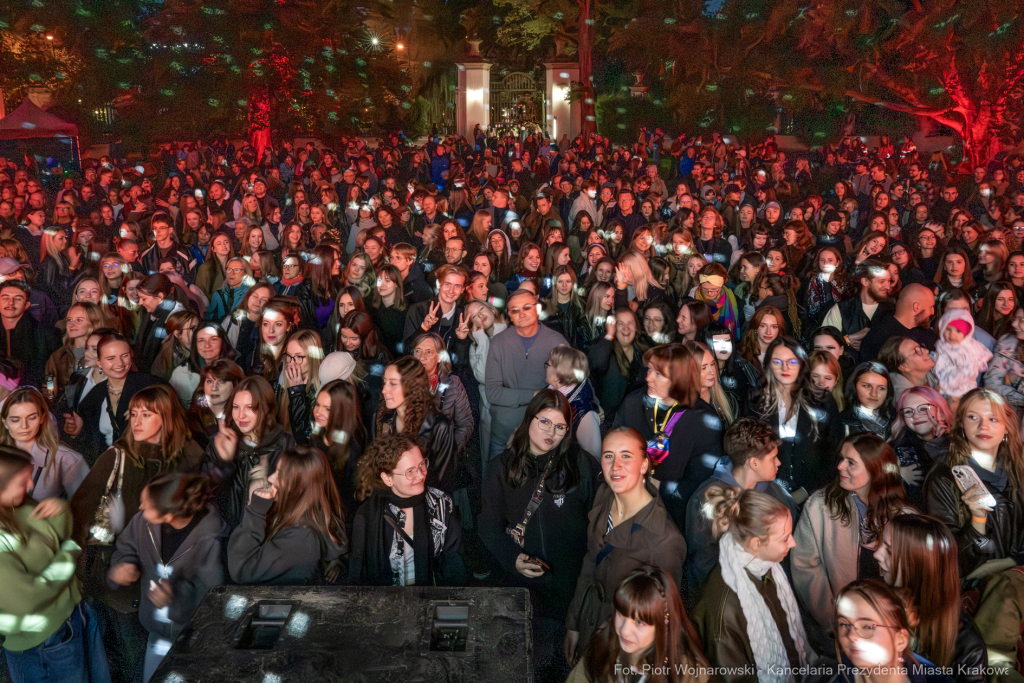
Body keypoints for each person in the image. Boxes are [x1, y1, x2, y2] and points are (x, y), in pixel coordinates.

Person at [69, 385, 204, 682]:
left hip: (168, 580)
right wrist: (94, 567)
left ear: (167, 418)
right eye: (134, 414)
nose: (137, 421)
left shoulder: (189, 460)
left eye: (147, 414)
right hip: (120, 583)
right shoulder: (117, 457)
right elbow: (81, 515)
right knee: (128, 662)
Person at [478, 390, 597, 681]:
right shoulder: (501, 468)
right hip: (522, 589)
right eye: (544, 422)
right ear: (529, 418)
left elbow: (597, 524)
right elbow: (488, 525)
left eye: (559, 427)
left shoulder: (581, 465)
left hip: (570, 590)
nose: (550, 433)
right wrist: (512, 558)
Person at [563, 428, 687, 663]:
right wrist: (574, 623)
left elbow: (663, 619)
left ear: (644, 465)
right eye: (608, 456)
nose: (615, 465)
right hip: (589, 622)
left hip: (622, 648)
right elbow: (591, 560)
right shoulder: (604, 495)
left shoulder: (665, 541)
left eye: (626, 456)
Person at [0, 446, 112, 683]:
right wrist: (68, 554)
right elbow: (25, 600)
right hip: (41, 643)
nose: (30, 485)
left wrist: (60, 511)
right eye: (21, 482)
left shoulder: (18, 504)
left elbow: (56, 536)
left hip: (71, 616)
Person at [792, 432, 912, 650]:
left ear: (874, 469)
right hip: (838, 633)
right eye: (841, 459)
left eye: (851, 463)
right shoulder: (820, 506)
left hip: (889, 633)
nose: (840, 466)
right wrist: (835, 623)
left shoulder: (904, 516)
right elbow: (805, 567)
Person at [107, 473, 228, 682]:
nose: (140, 507)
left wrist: (175, 597)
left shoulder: (212, 539)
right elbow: (125, 548)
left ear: (169, 515)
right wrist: (122, 565)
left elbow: (212, 596)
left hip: (193, 639)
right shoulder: (141, 523)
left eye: (146, 504)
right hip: (156, 635)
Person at [691, 486, 816, 682]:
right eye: (784, 538)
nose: (793, 543)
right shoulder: (726, 607)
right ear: (756, 544)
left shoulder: (766, 568)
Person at [613, 343, 724, 529]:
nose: (648, 378)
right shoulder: (633, 403)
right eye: (649, 370)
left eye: (658, 374)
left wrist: (658, 490)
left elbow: (700, 482)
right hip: (626, 510)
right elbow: (614, 447)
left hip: (672, 522)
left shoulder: (704, 419)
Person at [684, 418, 796, 598]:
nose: (779, 463)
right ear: (753, 463)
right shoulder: (706, 500)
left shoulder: (779, 496)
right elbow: (701, 562)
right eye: (773, 458)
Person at [873, 514, 988, 683]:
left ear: (920, 564)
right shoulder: (872, 601)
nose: (876, 554)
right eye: (880, 543)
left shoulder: (968, 647)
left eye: (889, 550)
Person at [925, 388, 1024, 578]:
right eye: (973, 417)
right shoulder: (944, 478)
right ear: (961, 423)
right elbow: (946, 560)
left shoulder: (1019, 468)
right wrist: (978, 520)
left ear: (1006, 425)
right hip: (976, 592)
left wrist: (1010, 562)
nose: (983, 426)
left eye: (993, 419)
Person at [348, 434, 465, 586]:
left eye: (422, 464)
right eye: (410, 471)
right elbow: (357, 575)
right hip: (384, 604)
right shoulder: (367, 516)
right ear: (388, 479)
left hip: (430, 601)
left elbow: (454, 562)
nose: (421, 475)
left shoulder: (442, 504)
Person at [565, 566, 711, 683]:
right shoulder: (602, 642)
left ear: (664, 625)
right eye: (621, 614)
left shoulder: (690, 674)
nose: (624, 630)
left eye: (639, 622)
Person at [228, 445, 347, 585]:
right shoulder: (297, 514)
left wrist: (255, 512)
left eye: (280, 475)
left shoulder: (300, 539)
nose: (271, 478)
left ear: (298, 487)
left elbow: (241, 570)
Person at [745, 337, 843, 502]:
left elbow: (834, 452)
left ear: (802, 364)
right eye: (777, 362)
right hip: (765, 492)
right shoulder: (755, 400)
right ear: (768, 365)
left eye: (792, 361)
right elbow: (748, 451)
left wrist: (806, 491)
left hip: (814, 494)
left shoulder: (822, 401)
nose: (785, 368)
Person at [485, 288, 568, 476]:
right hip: (503, 435)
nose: (521, 313)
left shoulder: (557, 342)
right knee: (496, 487)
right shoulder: (498, 343)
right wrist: (534, 395)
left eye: (527, 307)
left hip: (543, 436)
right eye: (515, 310)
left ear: (537, 309)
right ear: (509, 316)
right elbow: (493, 392)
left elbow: (569, 385)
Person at [203, 375, 297, 528]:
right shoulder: (221, 442)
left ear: (266, 408)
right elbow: (206, 493)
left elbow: (294, 496)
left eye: (250, 407)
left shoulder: (285, 443)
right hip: (229, 534)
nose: (240, 416)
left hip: (270, 531)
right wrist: (223, 462)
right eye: (236, 407)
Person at [63, 332, 162, 465]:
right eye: (111, 358)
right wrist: (77, 432)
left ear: (131, 354)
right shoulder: (95, 395)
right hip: (110, 467)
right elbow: (90, 445)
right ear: (99, 361)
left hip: (147, 466)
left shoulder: (151, 386)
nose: (119, 363)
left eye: (124, 356)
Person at [832, 579, 957, 683]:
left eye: (867, 626)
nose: (851, 635)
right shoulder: (844, 668)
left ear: (900, 640)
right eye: (843, 624)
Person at [377, 356, 458, 493]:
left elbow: (443, 480)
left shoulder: (439, 425)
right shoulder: (383, 419)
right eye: (384, 382)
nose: (384, 390)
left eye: (393, 383)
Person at [0, 387, 88, 500]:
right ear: (5, 422)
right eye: (15, 420)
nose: (24, 426)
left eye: (31, 418)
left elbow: (88, 507)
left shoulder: (67, 460)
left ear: (42, 418)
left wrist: (63, 508)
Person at [588, 307, 648, 423]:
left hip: (633, 418)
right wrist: (609, 335)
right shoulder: (604, 347)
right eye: (620, 323)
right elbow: (595, 363)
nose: (626, 327)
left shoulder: (642, 353)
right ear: (613, 327)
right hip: (607, 420)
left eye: (630, 323)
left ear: (636, 328)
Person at [544, 345, 602, 460]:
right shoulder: (550, 392)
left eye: (548, 364)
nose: (546, 368)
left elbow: (592, 460)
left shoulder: (585, 415)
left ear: (557, 375)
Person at [859, 283, 938, 362]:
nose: (932, 312)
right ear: (916, 307)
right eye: (930, 307)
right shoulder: (878, 338)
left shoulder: (926, 333)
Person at [933, 309, 992, 409]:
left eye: (958, 331)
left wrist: (944, 385)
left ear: (966, 333)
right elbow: (939, 364)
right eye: (948, 329)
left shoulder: (968, 348)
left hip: (964, 390)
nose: (952, 335)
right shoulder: (943, 346)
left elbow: (970, 369)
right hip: (945, 388)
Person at [840, 361, 897, 438]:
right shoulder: (841, 422)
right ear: (854, 386)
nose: (874, 394)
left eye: (881, 388)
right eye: (867, 386)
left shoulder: (897, 421)